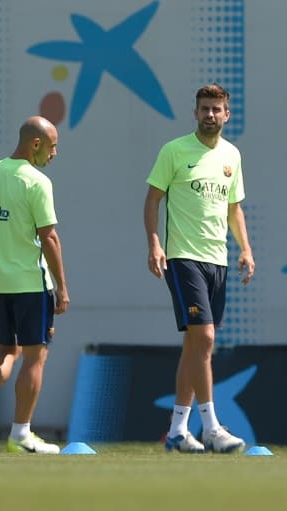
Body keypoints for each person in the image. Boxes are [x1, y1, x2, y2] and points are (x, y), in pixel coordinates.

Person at [144, 83, 254, 454]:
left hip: (217, 259)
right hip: (183, 257)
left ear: (226, 115)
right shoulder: (174, 151)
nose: (210, 114)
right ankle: (211, 426)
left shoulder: (232, 156)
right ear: (195, 113)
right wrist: (155, 243)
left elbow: (233, 208)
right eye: (204, 108)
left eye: (216, 109)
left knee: (195, 344)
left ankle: (177, 430)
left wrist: (245, 249)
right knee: (204, 338)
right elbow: (153, 199)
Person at [0, 116, 70, 454]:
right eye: (53, 146)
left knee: (4, 351)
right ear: (36, 144)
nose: (55, 153)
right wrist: (62, 287)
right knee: (34, 356)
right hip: (31, 282)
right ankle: (21, 434)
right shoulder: (36, 182)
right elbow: (50, 238)